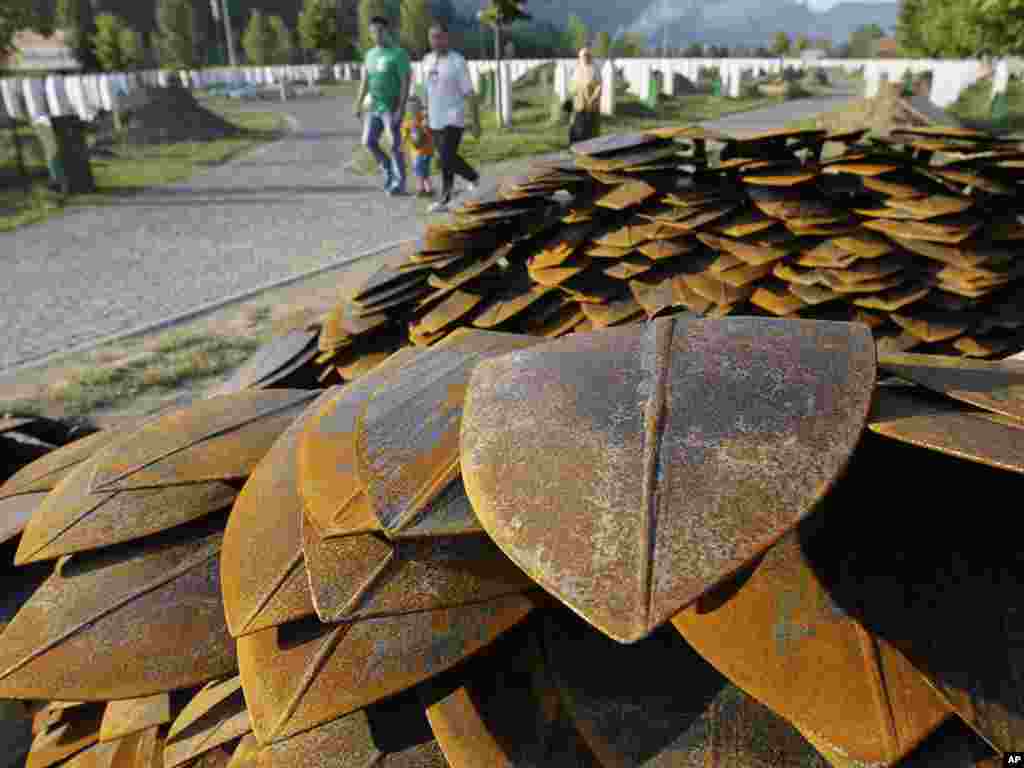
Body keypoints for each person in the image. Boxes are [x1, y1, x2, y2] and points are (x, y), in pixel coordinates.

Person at [421, 21, 482, 213]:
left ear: (447, 38)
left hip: (453, 118)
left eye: (440, 37)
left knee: (446, 158)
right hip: (434, 119)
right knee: (446, 158)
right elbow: (425, 90)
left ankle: (446, 199)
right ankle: (472, 177)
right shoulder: (426, 60)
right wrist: (424, 114)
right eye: (433, 37)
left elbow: (469, 93)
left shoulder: (457, 62)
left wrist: (475, 121)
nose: (436, 41)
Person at [354, 15, 411, 196]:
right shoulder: (369, 55)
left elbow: (405, 82)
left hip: (391, 107)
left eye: (380, 31)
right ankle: (387, 168)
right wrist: (358, 103)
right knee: (368, 141)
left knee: (394, 144)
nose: (376, 35)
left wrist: (401, 108)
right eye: (373, 32)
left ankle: (399, 184)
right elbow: (365, 81)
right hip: (374, 107)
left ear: (387, 31)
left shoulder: (399, 54)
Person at [401, 94, 435, 198]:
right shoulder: (408, 120)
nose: (412, 110)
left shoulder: (424, 118)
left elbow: (430, 132)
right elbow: (405, 134)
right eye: (410, 107)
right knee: (423, 170)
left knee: (419, 170)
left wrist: (425, 126)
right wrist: (402, 144)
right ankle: (428, 189)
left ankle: (421, 189)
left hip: (424, 150)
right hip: (417, 151)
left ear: (419, 107)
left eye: (415, 107)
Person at [569, 47, 602, 145]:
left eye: (587, 55)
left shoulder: (594, 69)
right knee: (577, 129)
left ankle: (592, 148)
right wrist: (573, 91)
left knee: (591, 130)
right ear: (579, 57)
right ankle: (576, 146)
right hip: (578, 105)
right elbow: (571, 86)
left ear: (590, 57)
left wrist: (592, 99)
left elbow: (599, 87)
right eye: (583, 56)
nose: (585, 57)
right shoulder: (576, 69)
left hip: (591, 106)